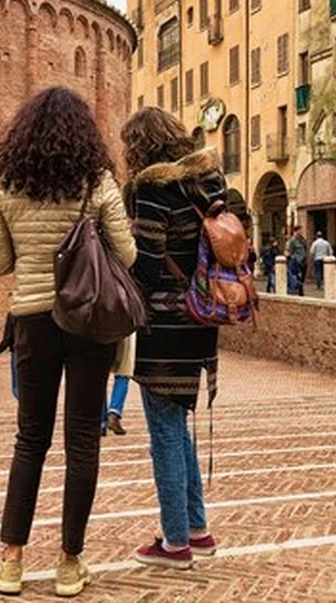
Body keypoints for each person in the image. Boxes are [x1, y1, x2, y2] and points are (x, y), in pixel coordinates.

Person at [0, 87, 136, 598]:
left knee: (30, 439)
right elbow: (129, 254)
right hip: (88, 320)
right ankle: (70, 562)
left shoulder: (4, 188)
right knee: (81, 444)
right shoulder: (97, 183)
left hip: (32, 319)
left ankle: (11, 561)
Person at [122, 106, 242, 571]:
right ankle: (197, 529)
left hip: (166, 323)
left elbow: (147, 263)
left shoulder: (154, 188)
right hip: (202, 316)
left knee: (165, 432)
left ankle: (175, 542)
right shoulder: (210, 182)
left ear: (140, 145)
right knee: (177, 423)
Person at [0, 311, 19, 401]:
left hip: (17, 351)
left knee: (17, 386)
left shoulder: (13, 314)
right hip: (33, 351)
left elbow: (8, 338)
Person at [287, 226, 308, 296]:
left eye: (301, 231)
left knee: (303, 277)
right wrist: (294, 258)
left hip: (304, 261)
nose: (301, 232)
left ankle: (300, 289)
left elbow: (306, 249)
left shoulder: (303, 240)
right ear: (296, 231)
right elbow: (290, 251)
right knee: (298, 276)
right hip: (297, 261)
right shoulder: (292, 241)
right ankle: (299, 290)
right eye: (300, 231)